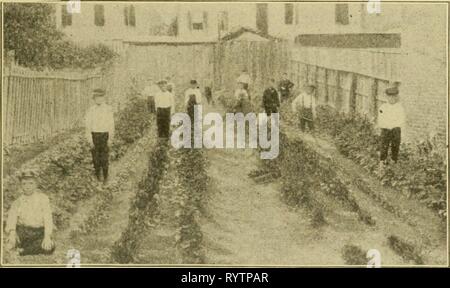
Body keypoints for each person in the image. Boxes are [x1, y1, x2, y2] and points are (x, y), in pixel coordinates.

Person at [5, 170, 55, 256]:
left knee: (50, 246)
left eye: (31, 183)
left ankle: (23, 252)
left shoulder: (43, 199)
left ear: (36, 184)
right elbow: (11, 219)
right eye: (24, 184)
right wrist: (12, 233)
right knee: (9, 244)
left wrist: (47, 236)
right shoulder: (17, 202)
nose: (27, 187)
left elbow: (48, 219)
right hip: (23, 232)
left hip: (38, 232)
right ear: (21, 185)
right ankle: (20, 247)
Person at [85, 88, 115, 184]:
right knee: (95, 158)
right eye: (96, 98)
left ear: (103, 98)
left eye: (100, 97)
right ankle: (98, 176)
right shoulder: (91, 110)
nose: (98, 99)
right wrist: (90, 140)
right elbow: (88, 126)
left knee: (104, 158)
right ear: (94, 99)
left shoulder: (108, 109)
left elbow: (111, 125)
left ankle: (106, 177)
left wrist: (110, 139)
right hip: (95, 136)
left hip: (104, 135)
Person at [377, 86, 406, 166]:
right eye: (390, 96)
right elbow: (380, 119)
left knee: (395, 146)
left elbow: (401, 120)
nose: (392, 98)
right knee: (383, 145)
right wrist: (387, 126)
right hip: (385, 129)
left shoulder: (399, 108)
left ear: (396, 97)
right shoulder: (383, 107)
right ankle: (382, 162)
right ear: (387, 97)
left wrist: (394, 126)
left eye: (394, 96)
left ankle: (394, 162)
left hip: (395, 129)